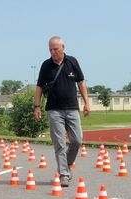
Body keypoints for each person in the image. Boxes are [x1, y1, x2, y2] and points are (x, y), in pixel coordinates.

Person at [34, 36, 90, 187]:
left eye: (56, 49)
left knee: (77, 140)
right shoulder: (46, 65)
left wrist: (86, 102)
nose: (53, 52)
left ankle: (67, 163)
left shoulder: (72, 61)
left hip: (72, 108)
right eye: (50, 49)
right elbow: (39, 86)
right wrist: (37, 106)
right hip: (54, 110)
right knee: (59, 143)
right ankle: (64, 174)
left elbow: (81, 83)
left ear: (63, 47)